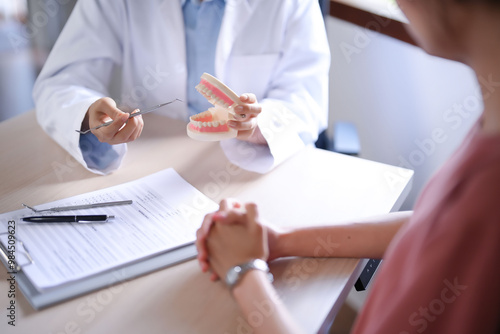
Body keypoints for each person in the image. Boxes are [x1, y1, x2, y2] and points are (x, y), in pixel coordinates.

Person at [195, 0, 500, 332]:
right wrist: (282, 240)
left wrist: (244, 272)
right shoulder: (489, 126)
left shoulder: (486, 200)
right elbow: (432, 222)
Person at [33, 0, 329, 175]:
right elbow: (61, 82)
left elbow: (306, 97)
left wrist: (259, 124)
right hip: (153, 166)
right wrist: (88, 113)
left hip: (255, 170)